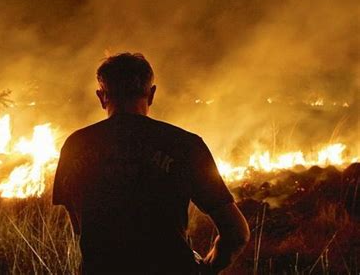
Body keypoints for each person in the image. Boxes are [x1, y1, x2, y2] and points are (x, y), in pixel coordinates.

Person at [53, 53, 250, 274]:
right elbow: (237, 233)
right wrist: (206, 269)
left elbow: (79, 227)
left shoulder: (75, 146)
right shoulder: (184, 144)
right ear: (152, 94)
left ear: (101, 96)